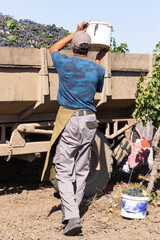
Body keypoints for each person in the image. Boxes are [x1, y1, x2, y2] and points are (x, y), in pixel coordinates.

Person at [43, 21, 106, 236]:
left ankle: (72, 217)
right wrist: (97, 59)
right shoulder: (98, 69)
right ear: (88, 49)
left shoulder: (65, 63)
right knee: (81, 168)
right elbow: (96, 85)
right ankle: (72, 214)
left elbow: (52, 48)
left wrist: (76, 32)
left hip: (70, 119)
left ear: (73, 47)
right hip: (90, 120)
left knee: (63, 168)